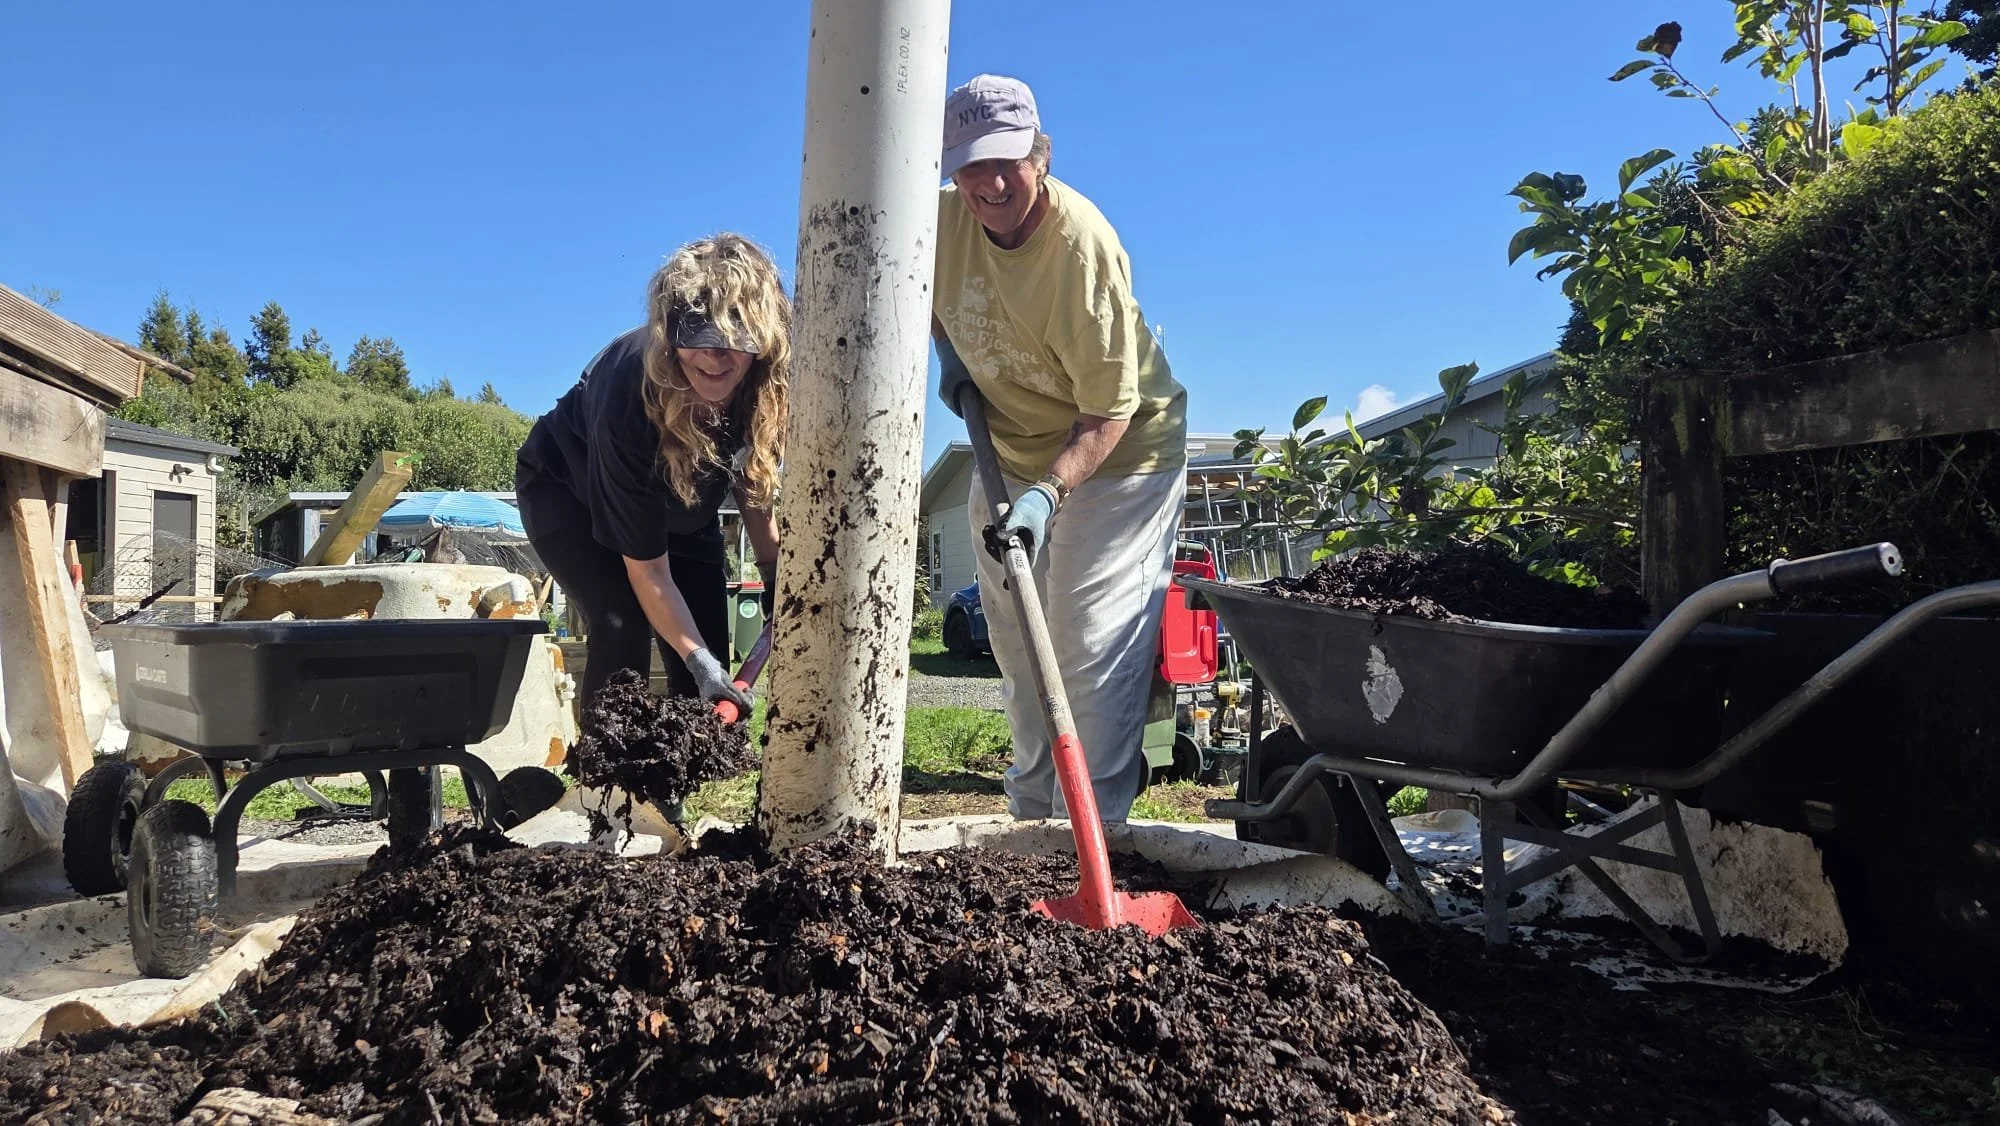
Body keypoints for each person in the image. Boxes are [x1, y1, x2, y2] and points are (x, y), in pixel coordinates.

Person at [931, 74, 1188, 823]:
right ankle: (1031, 827)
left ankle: (1091, 838)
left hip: (1120, 461)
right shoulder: (936, 224)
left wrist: (1049, 494)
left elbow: (1109, 411)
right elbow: (923, 296)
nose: (990, 183)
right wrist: (950, 356)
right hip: (1007, 451)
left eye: (1007, 161)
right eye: (972, 165)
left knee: (1088, 660)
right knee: (1019, 650)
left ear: (1040, 157)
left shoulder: (1081, 249)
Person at [515, 233, 789, 713]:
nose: (715, 358)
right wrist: (699, 663)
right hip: (570, 493)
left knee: (706, 649)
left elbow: (753, 477)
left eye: (735, 342)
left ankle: (690, 758)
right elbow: (648, 571)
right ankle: (608, 759)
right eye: (699, 339)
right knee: (622, 620)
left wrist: (775, 577)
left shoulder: (766, 381)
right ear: (670, 334)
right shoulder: (627, 392)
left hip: (683, 509)